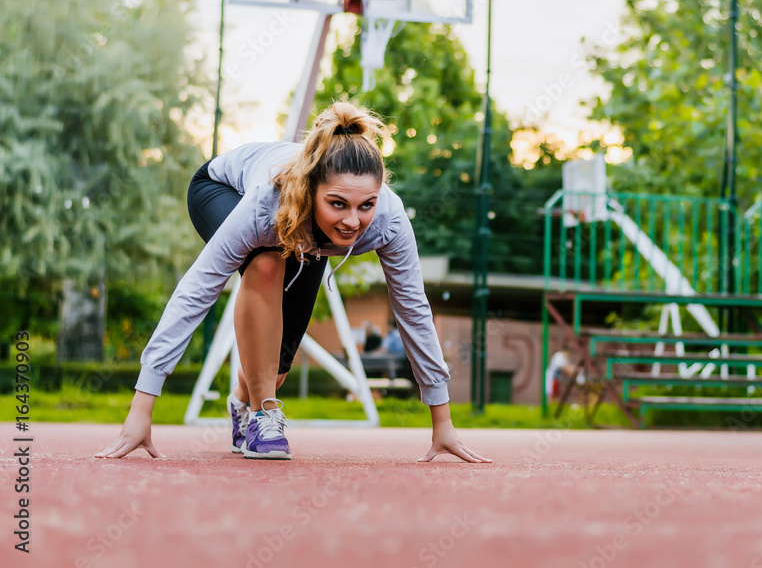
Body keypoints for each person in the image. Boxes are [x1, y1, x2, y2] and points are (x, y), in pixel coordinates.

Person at [96, 102, 491, 463]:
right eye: (338, 203)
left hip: (310, 239)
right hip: (220, 188)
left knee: (276, 365)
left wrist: (442, 422)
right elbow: (198, 290)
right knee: (266, 264)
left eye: (365, 205)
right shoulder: (266, 205)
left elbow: (413, 310)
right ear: (311, 190)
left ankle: (243, 402)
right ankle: (263, 414)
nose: (353, 220)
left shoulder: (389, 220)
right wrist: (141, 409)